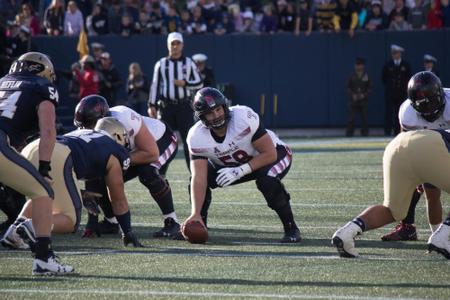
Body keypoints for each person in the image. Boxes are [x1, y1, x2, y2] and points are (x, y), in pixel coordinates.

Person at [183, 87, 301, 243]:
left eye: (218, 109)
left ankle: (291, 228)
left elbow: (270, 154)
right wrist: (194, 213)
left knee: (267, 181)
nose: (216, 116)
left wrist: (241, 170)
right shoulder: (196, 136)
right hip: (232, 166)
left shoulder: (242, 117)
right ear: (202, 117)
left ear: (224, 107)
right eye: (210, 113)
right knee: (198, 179)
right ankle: (200, 223)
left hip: (272, 155)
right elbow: (199, 178)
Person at [2, 120, 143, 248]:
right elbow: (118, 198)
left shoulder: (84, 133)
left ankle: (14, 232)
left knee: (41, 195)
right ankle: (31, 226)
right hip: (57, 155)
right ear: (117, 136)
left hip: (34, 148)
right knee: (70, 220)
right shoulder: (115, 150)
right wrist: (127, 231)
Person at [0, 52, 73, 275]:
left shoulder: (2, 82)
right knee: (42, 191)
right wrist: (44, 166)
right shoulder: (41, 86)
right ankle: (44, 259)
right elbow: (48, 131)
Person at [332, 128, 450, 260]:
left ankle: (346, 233)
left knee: (393, 210)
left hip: (397, 144)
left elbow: (432, 193)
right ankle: (443, 236)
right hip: (431, 146)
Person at [74, 95, 181, 238]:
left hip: (160, 140)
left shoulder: (125, 117)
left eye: (89, 125)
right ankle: (111, 222)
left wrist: (122, 160)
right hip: (129, 151)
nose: (86, 130)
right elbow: (90, 179)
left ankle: (172, 221)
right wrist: (91, 221)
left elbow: (151, 153)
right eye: (82, 127)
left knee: (147, 172)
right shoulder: (87, 132)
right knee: (98, 175)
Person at [380, 71, 450, 241]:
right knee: (424, 189)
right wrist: (416, 173)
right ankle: (418, 230)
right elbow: (406, 143)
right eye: (422, 106)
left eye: (431, 103)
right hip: (427, 148)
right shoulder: (407, 112)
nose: (428, 111)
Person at [148, 32, 203, 170]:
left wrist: (184, 83)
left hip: (184, 106)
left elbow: (199, 82)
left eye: (178, 43)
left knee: (189, 140)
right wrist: (151, 105)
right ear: (168, 45)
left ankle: (194, 173)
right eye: (172, 43)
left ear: (182, 45)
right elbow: (155, 85)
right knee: (164, 141)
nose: (175, 46)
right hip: (166, 107)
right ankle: (160, 174)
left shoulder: (189, 62)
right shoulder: (161, 64)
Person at [382, 44, 411, 136]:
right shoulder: (388, 64)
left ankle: (398, 131)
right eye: (393, 53)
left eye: (396, 53)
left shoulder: (405, 65)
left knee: (399, 113)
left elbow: (408, 78)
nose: (395, 55)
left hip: (401, 93)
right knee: (389, 113)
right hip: (390, 93)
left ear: (400, 54)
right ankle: (387, 131)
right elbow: (384, 78)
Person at [346, 57, 372, 137]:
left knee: (364, 118)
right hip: (353, 100)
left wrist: (364, 95)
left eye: (359, 65)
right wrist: (352, 95)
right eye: (356, 65)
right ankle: (349, 133)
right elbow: (348, 87)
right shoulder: (352, 75)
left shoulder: (366, 75)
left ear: (363, 66)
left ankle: (365, 133)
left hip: (363, 100)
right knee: (351, 118)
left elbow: (370, 87)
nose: (358, 67)